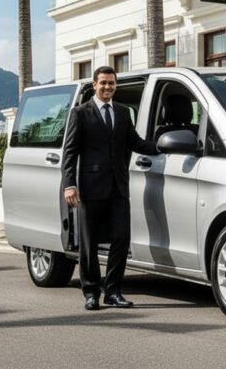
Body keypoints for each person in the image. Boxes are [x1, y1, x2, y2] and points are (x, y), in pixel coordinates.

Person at [62, 65, 158, 311]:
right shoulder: (80, 113)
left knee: (120, 240)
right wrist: (69, 184)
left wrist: (161, 147)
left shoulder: (124, 113)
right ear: (94, 85)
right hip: (89, 188)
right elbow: (70, 152)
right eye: (103, 83)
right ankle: (91, 292)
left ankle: (113, 292)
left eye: (111, 83)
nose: (107, 87)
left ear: (116, 86)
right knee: (89, 242)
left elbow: (134, 142)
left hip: (119, 188)